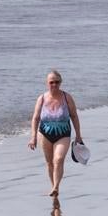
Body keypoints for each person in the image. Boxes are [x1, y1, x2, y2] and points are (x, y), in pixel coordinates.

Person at [27, 70, 82, 198]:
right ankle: (54, 188)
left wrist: (78, 135)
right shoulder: (41, 98)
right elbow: (35, 118)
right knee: (49, 162)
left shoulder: (67, 97)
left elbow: (74, 116)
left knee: (58, 159)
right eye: (52, 82)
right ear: (47, 83)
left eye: (57, 82)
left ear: (60, 83)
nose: (54, 85)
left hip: (63, 134)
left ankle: (56, 186)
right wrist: (33, 137)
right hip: (45, 134)